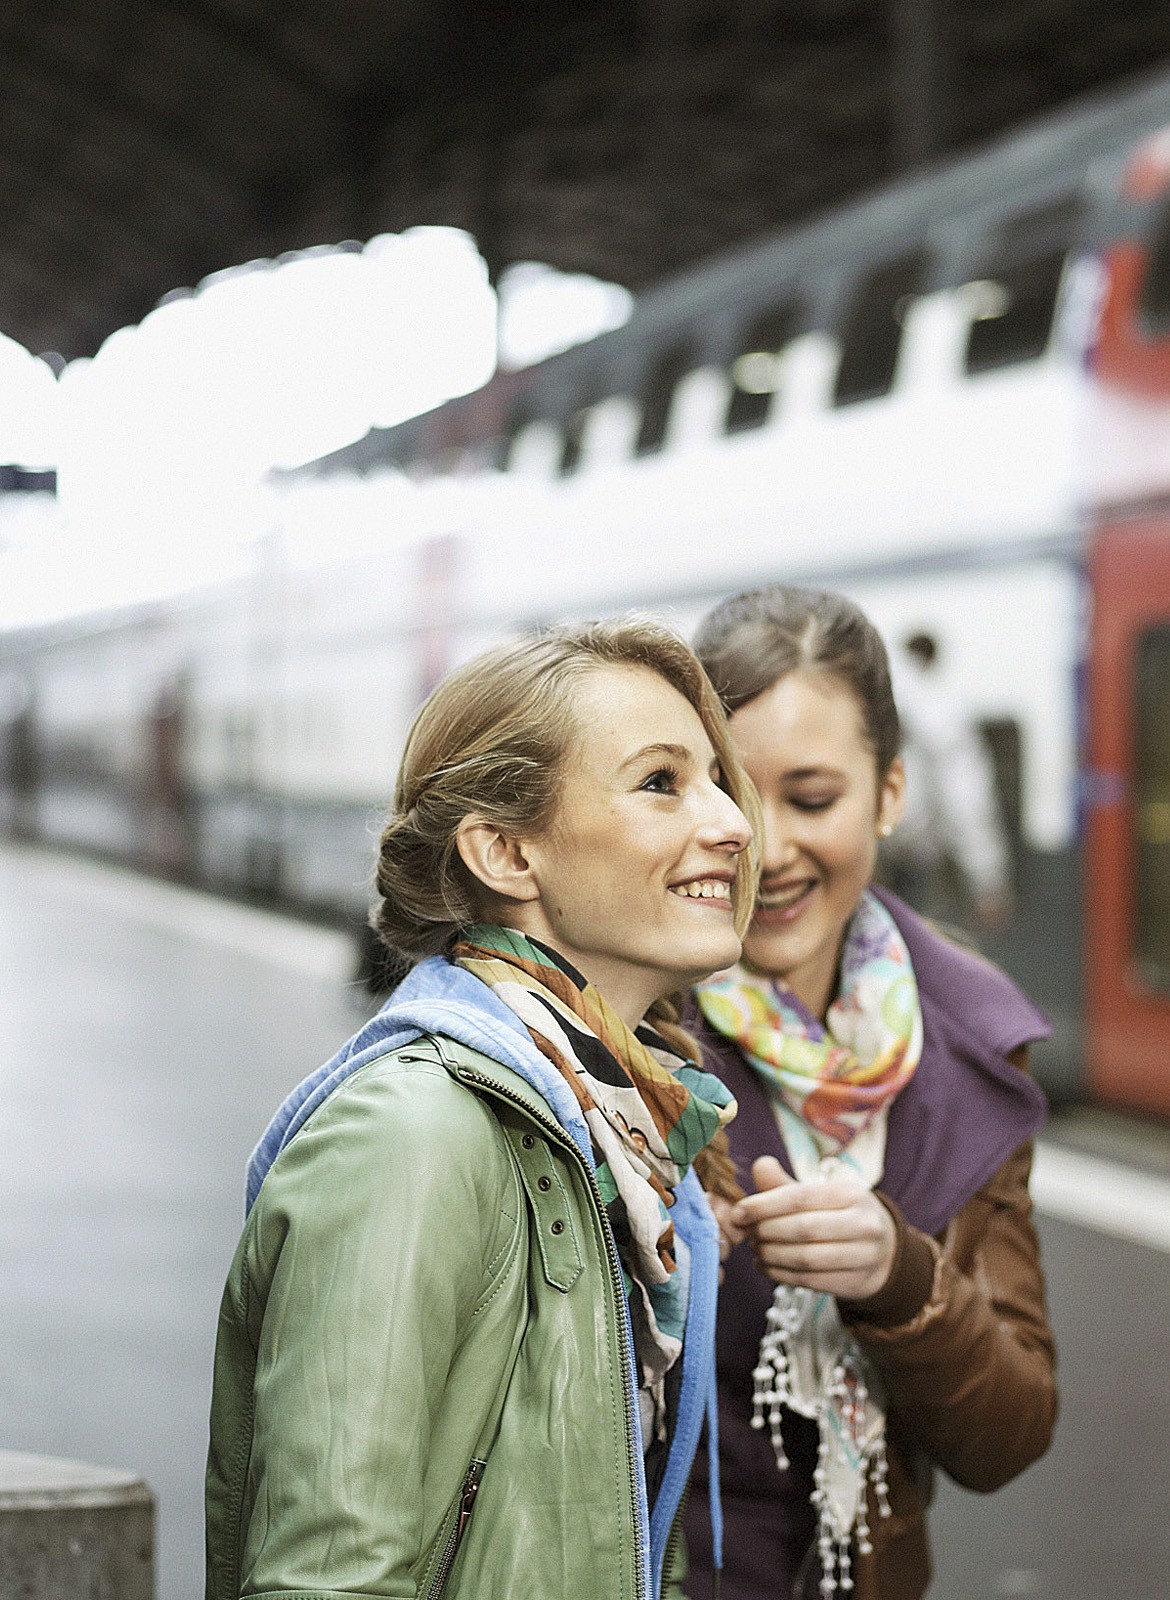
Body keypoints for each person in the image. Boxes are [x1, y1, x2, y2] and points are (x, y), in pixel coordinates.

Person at [205, 620, 758, 1600]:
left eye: (716, 777)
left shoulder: (619, 1126)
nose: (732, 823)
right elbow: (324, 1582)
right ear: (504, 850)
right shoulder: (408, 1135)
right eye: (661, 782)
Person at [685, 586, 1056, 1600]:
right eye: (727, 797)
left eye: (811, 799)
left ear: (890, 793)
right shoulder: (612, 1025)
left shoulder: (970, 1045)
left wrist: (902, 1276)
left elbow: (1011, 1428)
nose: (765, 848)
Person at [880, 630, 1014, 930]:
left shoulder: (882, 687)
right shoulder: (933, 701)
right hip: (915, 860)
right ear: (933, 659)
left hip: (884, 853)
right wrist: (989, 882)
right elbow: (965, 796)